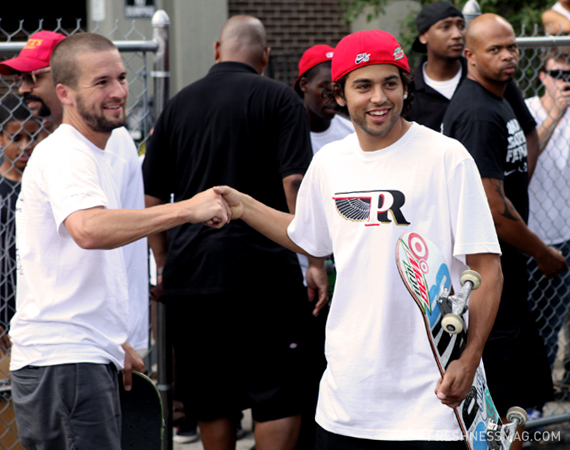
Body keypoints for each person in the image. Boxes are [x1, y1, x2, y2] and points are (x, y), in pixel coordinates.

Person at [215, 29, 503, 449]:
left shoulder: (447, 157)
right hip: (349, 398)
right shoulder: (331, 163)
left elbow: (488, 270)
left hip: (435, 397)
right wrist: (243, 207)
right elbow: (307, 237)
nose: (379, 98)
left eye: (390, 83)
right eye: (363, 86)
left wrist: (469, 356)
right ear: (340, 95)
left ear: (406, 87)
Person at [9, 32, 230, 450]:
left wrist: (114, 340)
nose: (118, 92)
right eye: (101, 82)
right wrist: (186, 209)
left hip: (82, 355)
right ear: (65, 94)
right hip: (65, 363)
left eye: (122, 78)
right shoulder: (67, 154)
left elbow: (80, 267)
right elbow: (90, 230)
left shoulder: (100, 151)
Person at [142, 15, 326, 450]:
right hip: (265, 273)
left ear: (216, 50)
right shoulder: (280, 99)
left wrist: (167, 265)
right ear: (265, 56)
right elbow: (294, 185)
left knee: (212, 400)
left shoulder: (177, 106)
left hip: (192, 276)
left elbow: (152, 200)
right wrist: (314, 260)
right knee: (278, 396)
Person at [441, 14, 568, 448]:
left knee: (517, 391)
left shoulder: (499, 95)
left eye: (512, 46)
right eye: (495, 50)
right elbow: (494, 211)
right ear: (470, 57)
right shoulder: (477, 113)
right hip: (488, 269)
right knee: (500, 390)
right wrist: (543, 253)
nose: (509, 55)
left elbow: (527, 140)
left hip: (506, 266)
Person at [0, 30, 150, 356]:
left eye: (32, 77)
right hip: (80, 337)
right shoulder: (68, 143)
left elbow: (105, 233)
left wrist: (117, 336)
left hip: (98, 339)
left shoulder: (101, 140)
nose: (24, 87)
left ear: (64, 80)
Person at [406, 1, 542, 179]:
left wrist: (518, 183)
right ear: (423, 36)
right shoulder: (408, 89)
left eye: (461, 26)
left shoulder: (489, 76)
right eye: (445, 27)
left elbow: (529, 133)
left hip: (496, 195)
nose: (457, 34)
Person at [525, 48, 570, 384]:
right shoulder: (525, 110)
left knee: (555, 323)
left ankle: (548, 393)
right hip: (529, 237)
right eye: (558, 75)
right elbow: (525, 160)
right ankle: (530, 398)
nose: (564, 83)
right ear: (542, 76)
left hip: (566, 234)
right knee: (533, 324)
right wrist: (554, 115)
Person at [0, 95, 43, 353]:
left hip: (37, 306)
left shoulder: (41, 186)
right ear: (1, 138)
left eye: (32, 137)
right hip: (6, 306)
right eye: (16, 139)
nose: (26, 146)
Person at [293, 44, 354, 155]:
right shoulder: (287, 136)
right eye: (324, 86)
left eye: (338, 87)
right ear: (304, 85)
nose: (333, 95)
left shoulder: (352, 133)